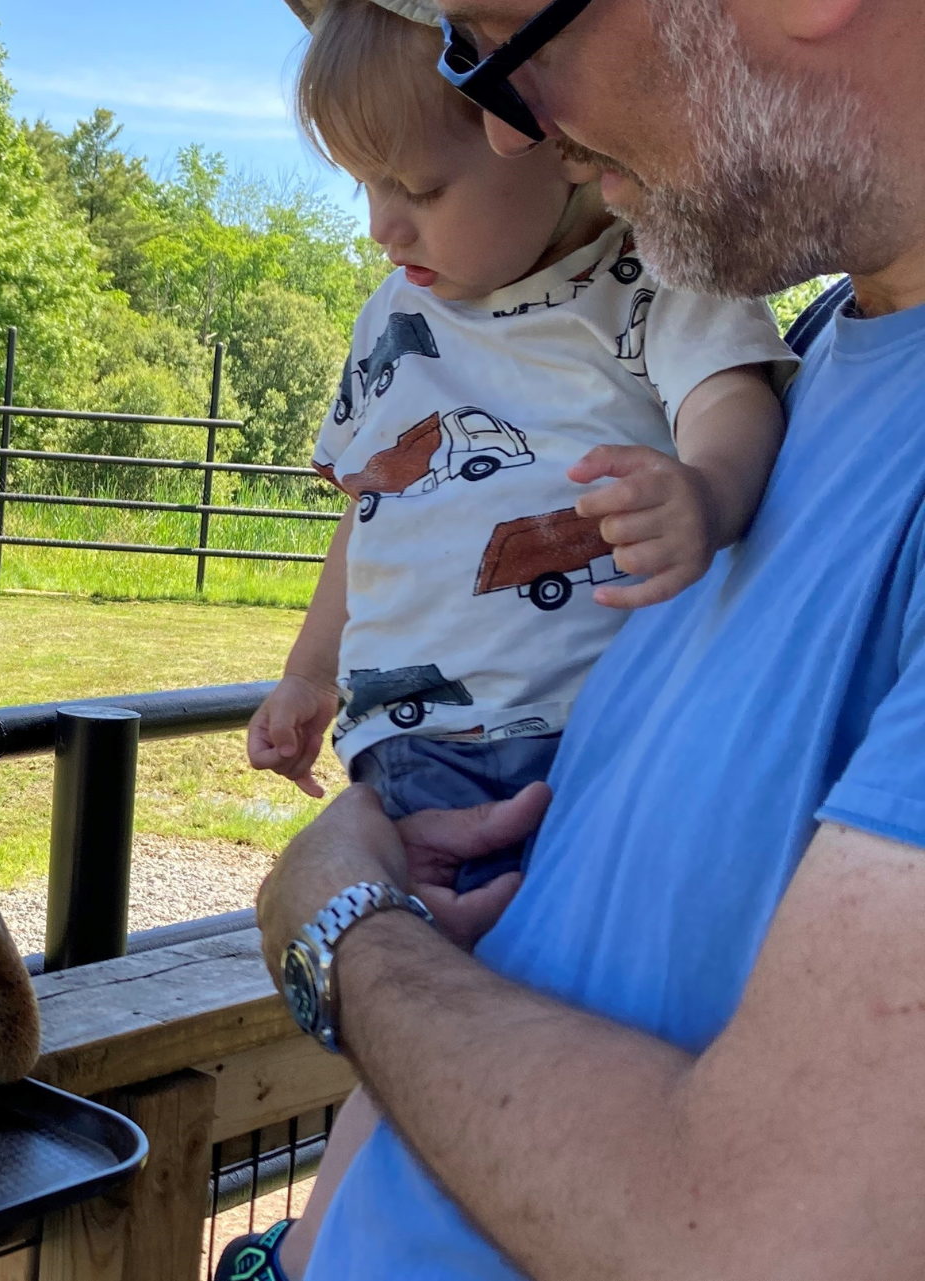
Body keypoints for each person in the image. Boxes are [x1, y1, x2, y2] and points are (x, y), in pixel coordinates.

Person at [252, 0, 925, 1276]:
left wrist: (340, 931)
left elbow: (761, 1239)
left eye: (496, 37)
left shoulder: (706, 378)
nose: (506, 136)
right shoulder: (833, 354)